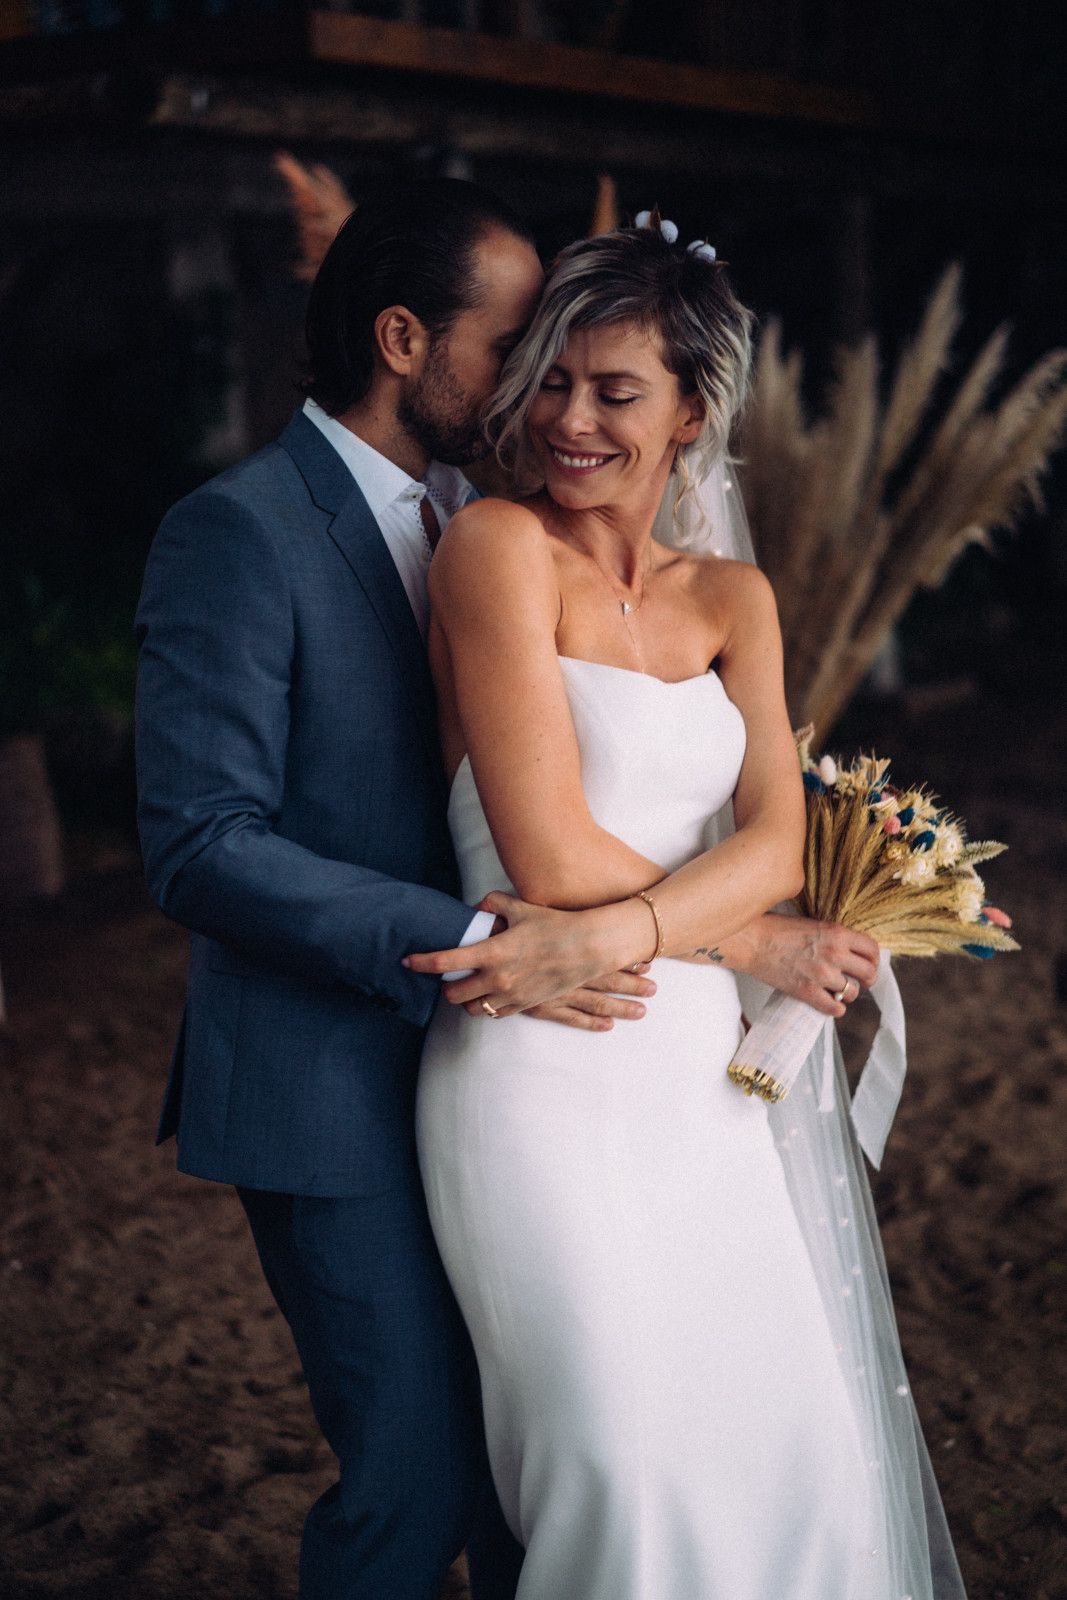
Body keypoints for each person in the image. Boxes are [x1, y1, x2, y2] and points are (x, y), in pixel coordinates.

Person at [135, 178, 879, 1600]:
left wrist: (596, 937)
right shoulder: (239, 529)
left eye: (587, 367)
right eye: (519, 347)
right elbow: (199, 843)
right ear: (404, 339)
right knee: (414, 1482)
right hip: (336, 1069)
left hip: (569, 1026)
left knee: (529, 1475)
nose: (546, 388)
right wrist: (487, 933)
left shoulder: (483, 514)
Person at [410, 219, 967, 1598]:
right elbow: (548, 848)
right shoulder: (493, 547)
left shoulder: (734, 599)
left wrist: (642, 931)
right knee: (619, 1466)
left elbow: (779, 838)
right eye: (551, 381)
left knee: (777, 1444)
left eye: (615, 392)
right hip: (541, 1056)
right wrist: (743, 939)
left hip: (701, 1080)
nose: (570, 421)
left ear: (691, 414)